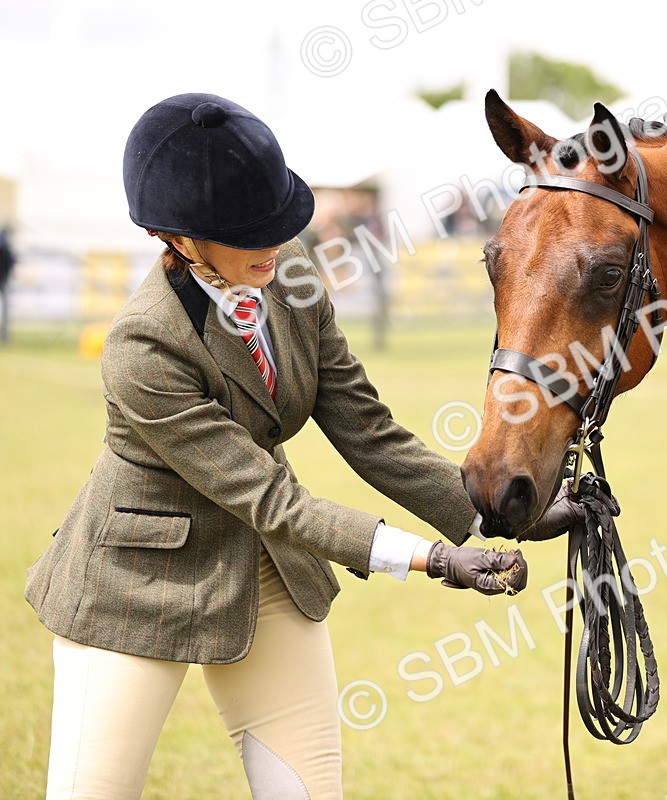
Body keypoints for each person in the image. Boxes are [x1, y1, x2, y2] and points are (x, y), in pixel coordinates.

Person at [23, 93, 577, 800]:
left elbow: (369, 433)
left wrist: (499, 517)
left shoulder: (294, 287)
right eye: (248, 233)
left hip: (265, 572)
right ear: (178, 238)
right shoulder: (142, 345)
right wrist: (433, 559)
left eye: (275, 223)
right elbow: (272, 499)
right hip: (135, 584)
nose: (275, 246)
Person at [0, 225, 14, 343]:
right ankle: (5, 336)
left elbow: (10, 261)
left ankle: (5, 336)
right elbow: (11, 260)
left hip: (3, 277)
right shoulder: (5, 244)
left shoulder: (4, 244)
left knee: (5, 308)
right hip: (4, 277)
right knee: (5, 308)